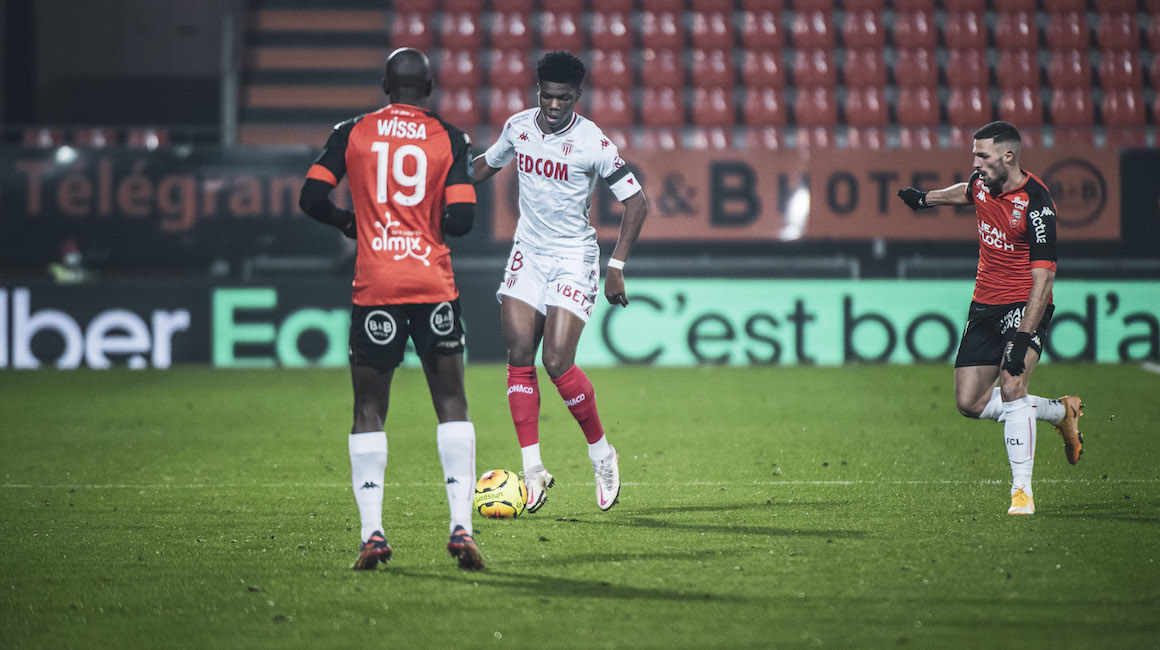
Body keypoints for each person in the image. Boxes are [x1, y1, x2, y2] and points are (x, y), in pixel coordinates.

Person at [298, 47, 484, 570]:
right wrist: (424, 228)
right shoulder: (450, 137)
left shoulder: (352, 132)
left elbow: (311, 197)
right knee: (452, 403)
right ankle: (461, 527)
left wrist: (348, 223)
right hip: (431, 282)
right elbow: (463, 219)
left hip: (376, 284)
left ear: (385, 85)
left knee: (368, 409)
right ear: (429, 88)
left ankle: (372, 534)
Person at [472, 50, 648, 513]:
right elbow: (485, 166)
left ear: (577, 96)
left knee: (555, 361)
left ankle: (602, 454)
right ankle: (533, 470)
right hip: (528, 253)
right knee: (518, 354)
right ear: (538, 92)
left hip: (573, 257)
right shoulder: (518, 127)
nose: (554, 105)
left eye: (563, 98)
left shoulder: (593, 142)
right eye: (547, 96)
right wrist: (445, 178)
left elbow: (637, 203)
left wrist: (616, 265)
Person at [897, 121, 1085, 516]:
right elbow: (966, 191)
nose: (975, 162)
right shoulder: (983, 183)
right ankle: (1060, 411)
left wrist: (1024, 334)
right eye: (975, 154)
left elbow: (1044, 279)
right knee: (969, 402)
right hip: (984, 304)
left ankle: (1022, 492)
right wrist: (925, 199)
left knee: (1013, 386)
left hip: (1024, 303)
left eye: (982, 155)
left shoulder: (1036, 204)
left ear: (1008, 156)